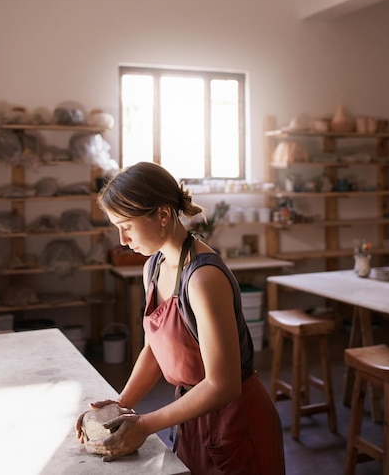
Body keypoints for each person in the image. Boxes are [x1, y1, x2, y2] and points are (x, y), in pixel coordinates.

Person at [76, 161, 285, 475]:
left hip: (236, 419)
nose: (122, 239)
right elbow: (155, 350)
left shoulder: (203, 279)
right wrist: (120, 407)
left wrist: (145, 425)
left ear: (162, 214)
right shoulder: (153, 267)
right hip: (191, 414)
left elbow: (223, 385)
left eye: (128, 226)